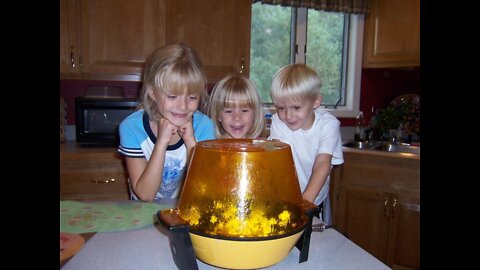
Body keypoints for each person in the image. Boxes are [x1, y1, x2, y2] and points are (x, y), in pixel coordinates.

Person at [118, 44, 215, 202]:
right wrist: (161, 142)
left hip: (185, 210)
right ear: (152, 93)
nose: (183, 106)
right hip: (142, 213)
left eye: (192, 97)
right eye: (172, 96)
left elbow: (206, 188)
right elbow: (145, 194)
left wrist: (191, 143)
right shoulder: (131, 128)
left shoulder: (204, 127)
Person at [268, 63, 344, 224]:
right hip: (285, 197)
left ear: (316, 101)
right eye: (281, 108)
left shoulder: (328, 125)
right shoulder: (278, 122)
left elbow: (322, 163)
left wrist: (305, 201)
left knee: (314, 243)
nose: (288, 116)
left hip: (314, 199)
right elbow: (280, 161)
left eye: (296, 107)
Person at [207, 74, 265, 139]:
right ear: (217, 115)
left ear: (255, 113)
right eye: (228, 111)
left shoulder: (262, 146)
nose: (237, 118)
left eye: (244, 110)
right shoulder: (211, 146)